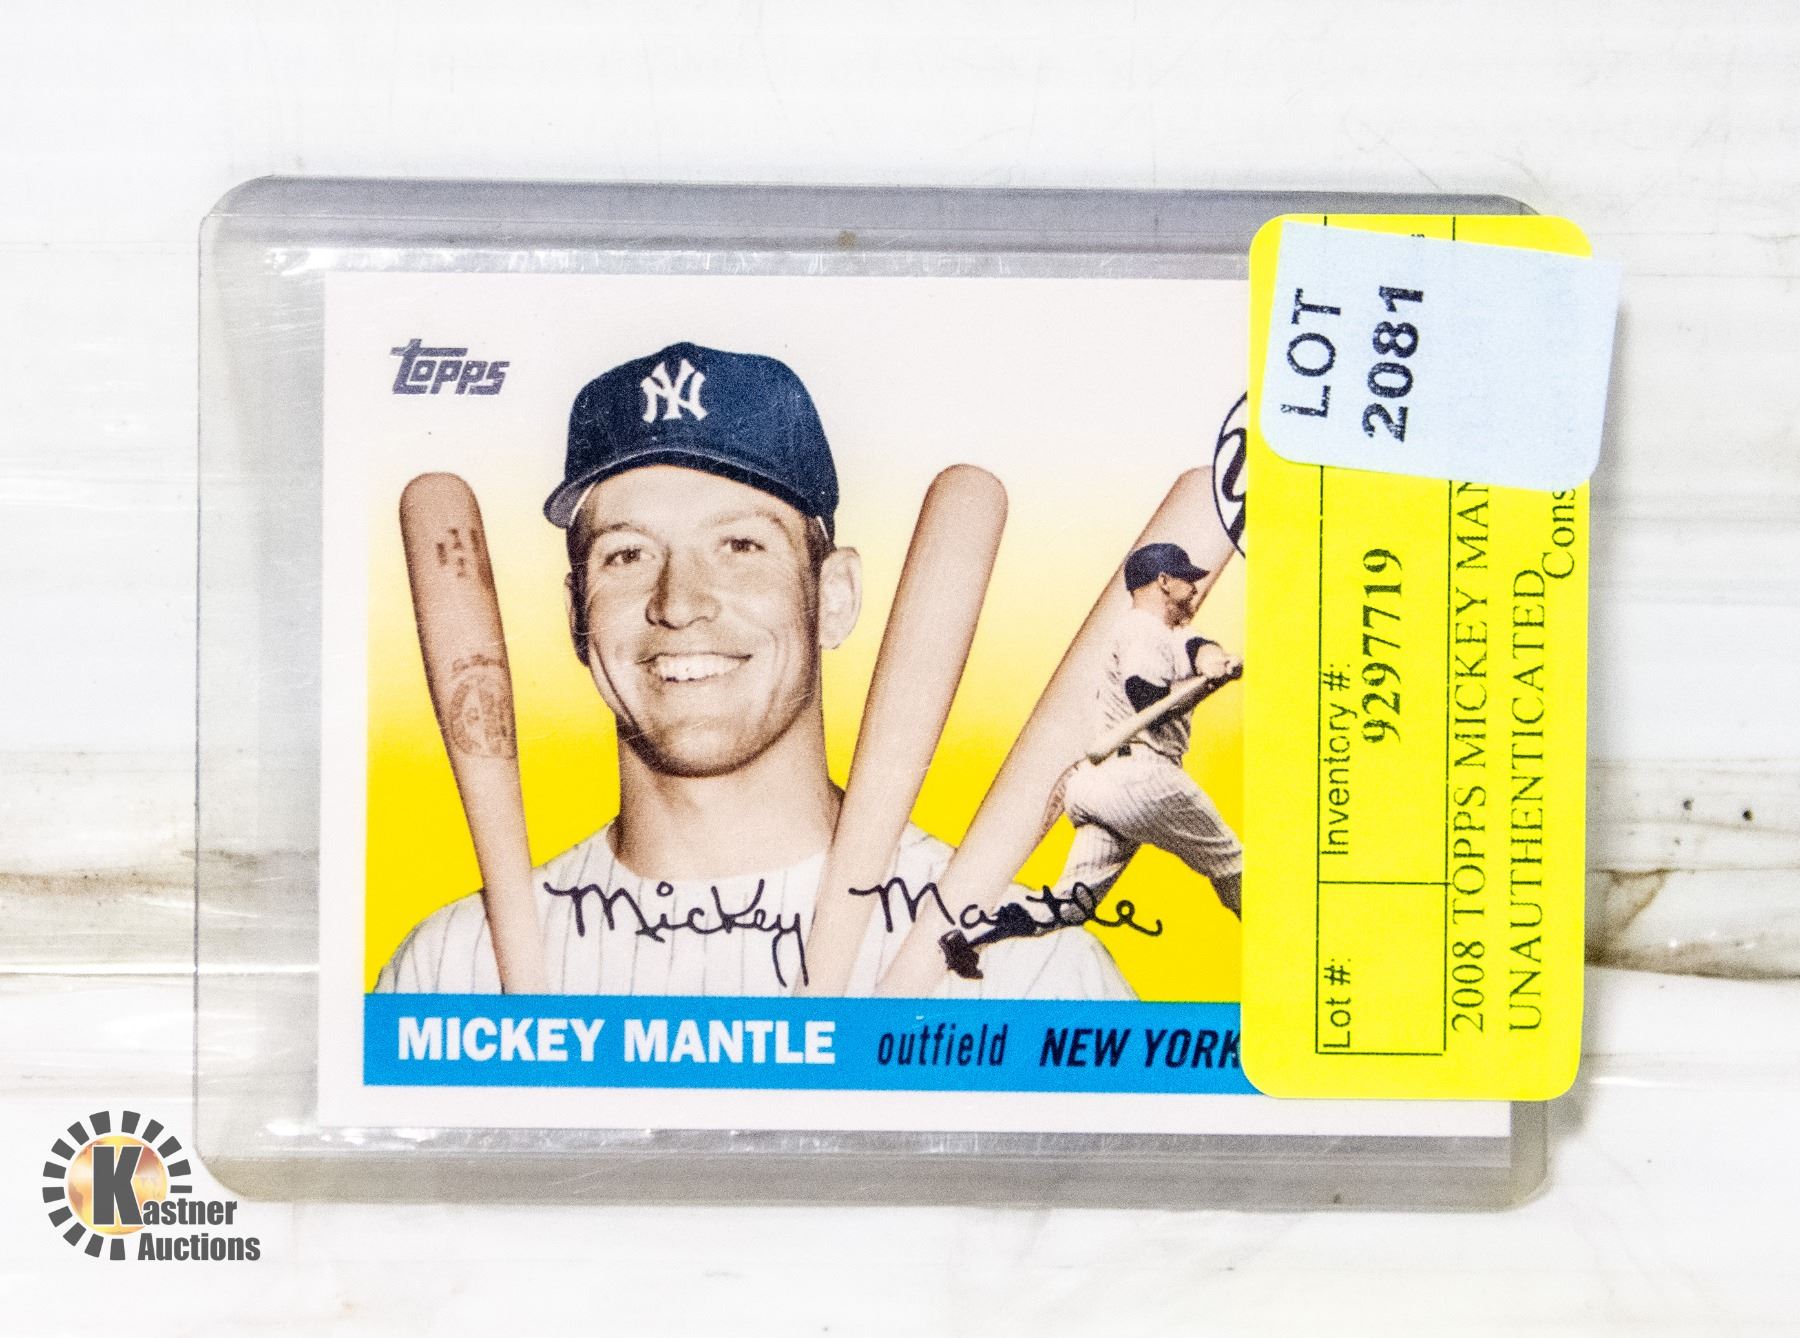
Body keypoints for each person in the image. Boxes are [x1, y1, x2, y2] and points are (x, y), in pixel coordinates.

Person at [376, 342, 1131, 1000]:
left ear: (834, 598)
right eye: (627, 554)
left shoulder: (1031, 971)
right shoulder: (452, 971)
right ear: (577, 613)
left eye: (740, 546)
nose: (679, 604)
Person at [938, 542, 1243, 980]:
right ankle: (1283, 949)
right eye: (1186, 579)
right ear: (1163, 581)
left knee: (1071, 904)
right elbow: (1147, 699)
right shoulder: (1142, 629)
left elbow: (1197, 648)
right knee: (1234, 864)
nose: (1194, 588)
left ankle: (969, 938)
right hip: (1142, 776)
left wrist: (1215, 662)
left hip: (1097, 782)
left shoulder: (1159, 634)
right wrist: (1205, 685)